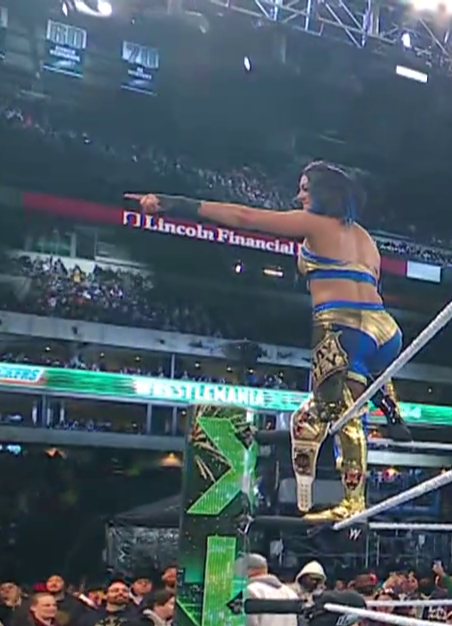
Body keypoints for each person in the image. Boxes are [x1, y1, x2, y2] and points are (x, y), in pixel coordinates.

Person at [125, 162, 412, 524]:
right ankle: (391, 410)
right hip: (386, 331)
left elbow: (245, 217)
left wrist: (172, 204)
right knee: (337, 398)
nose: (299, 195)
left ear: (323, 192)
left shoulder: (315, 224)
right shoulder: (366, 239)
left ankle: (353, 501)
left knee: (344, 415)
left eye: (305, 188)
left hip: (341, 327)